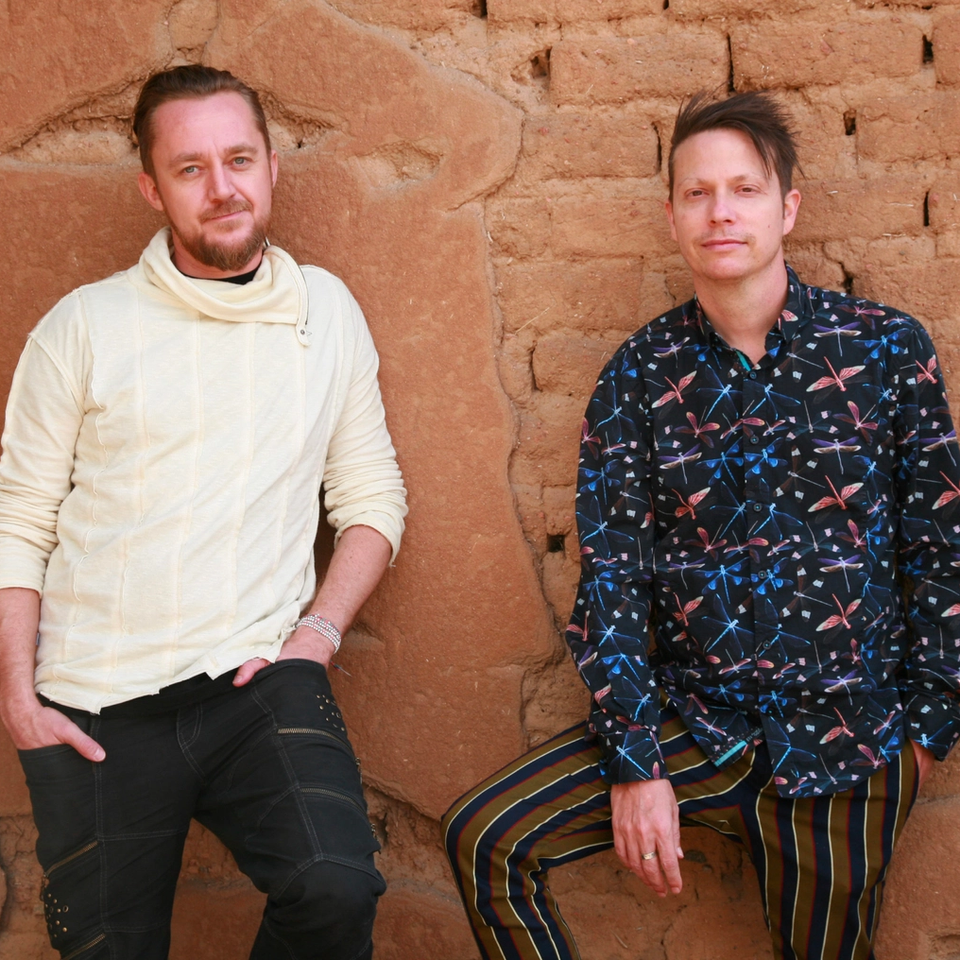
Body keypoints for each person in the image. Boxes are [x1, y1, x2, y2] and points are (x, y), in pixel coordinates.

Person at [443, 90, 960, 960]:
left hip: (851, 741)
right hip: (695, 725)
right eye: (697, 193)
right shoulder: (639, 377)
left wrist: (925, 739)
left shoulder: (884, 351)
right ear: (672, 213)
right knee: (486, 839)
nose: (721, 211)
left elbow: (940, 550)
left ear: (786, 207)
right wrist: (637, 763)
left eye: (745, 189)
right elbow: (612, 582)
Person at [0, 65, 406, 960]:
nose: (222, 188)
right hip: (94, 706)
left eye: (238, 159)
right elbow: (18, 521)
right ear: (151, 186)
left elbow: (372, 497)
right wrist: (18, 703)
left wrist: (320, 635)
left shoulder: (324, 312)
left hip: (256, 680)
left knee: (335, 892)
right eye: (190, 169)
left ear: (270, 166)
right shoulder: (83, 327)